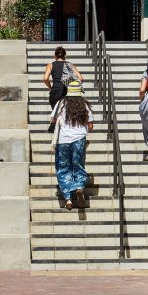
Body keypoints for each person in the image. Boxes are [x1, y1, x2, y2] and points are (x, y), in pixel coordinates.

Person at [49, 80, 94, 210]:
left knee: (63, 168)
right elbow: (90, 126)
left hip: (63, 141)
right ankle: (79, 187)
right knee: (78, 165)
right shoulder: (84, 105)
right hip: (79, 139)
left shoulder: (61, 103)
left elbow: (52, 120)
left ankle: (68, 199)